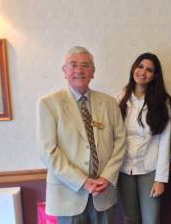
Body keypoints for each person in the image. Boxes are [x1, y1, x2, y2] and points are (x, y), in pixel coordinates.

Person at [37, 46, 126, 224]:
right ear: (64, 71)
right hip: (68, 195)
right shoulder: (48, 104)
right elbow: (48, 152)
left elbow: (120, 142)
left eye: (85, 65)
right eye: (73, 64)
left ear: (93, 72)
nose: (79, 70)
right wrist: (82, 181)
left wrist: (107, 177)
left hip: (103, 193)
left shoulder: (109, 103)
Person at [116, 53, 171, 224]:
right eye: (140, 66)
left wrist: (160, 179)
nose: (142, 72)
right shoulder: (120, 98)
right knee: (130, 219)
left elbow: (165, 142)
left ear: (155, 76)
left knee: (151, 220)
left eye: (149, 70)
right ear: (134, 68)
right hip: (124, 170)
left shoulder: (163, 102)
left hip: (150, 171)